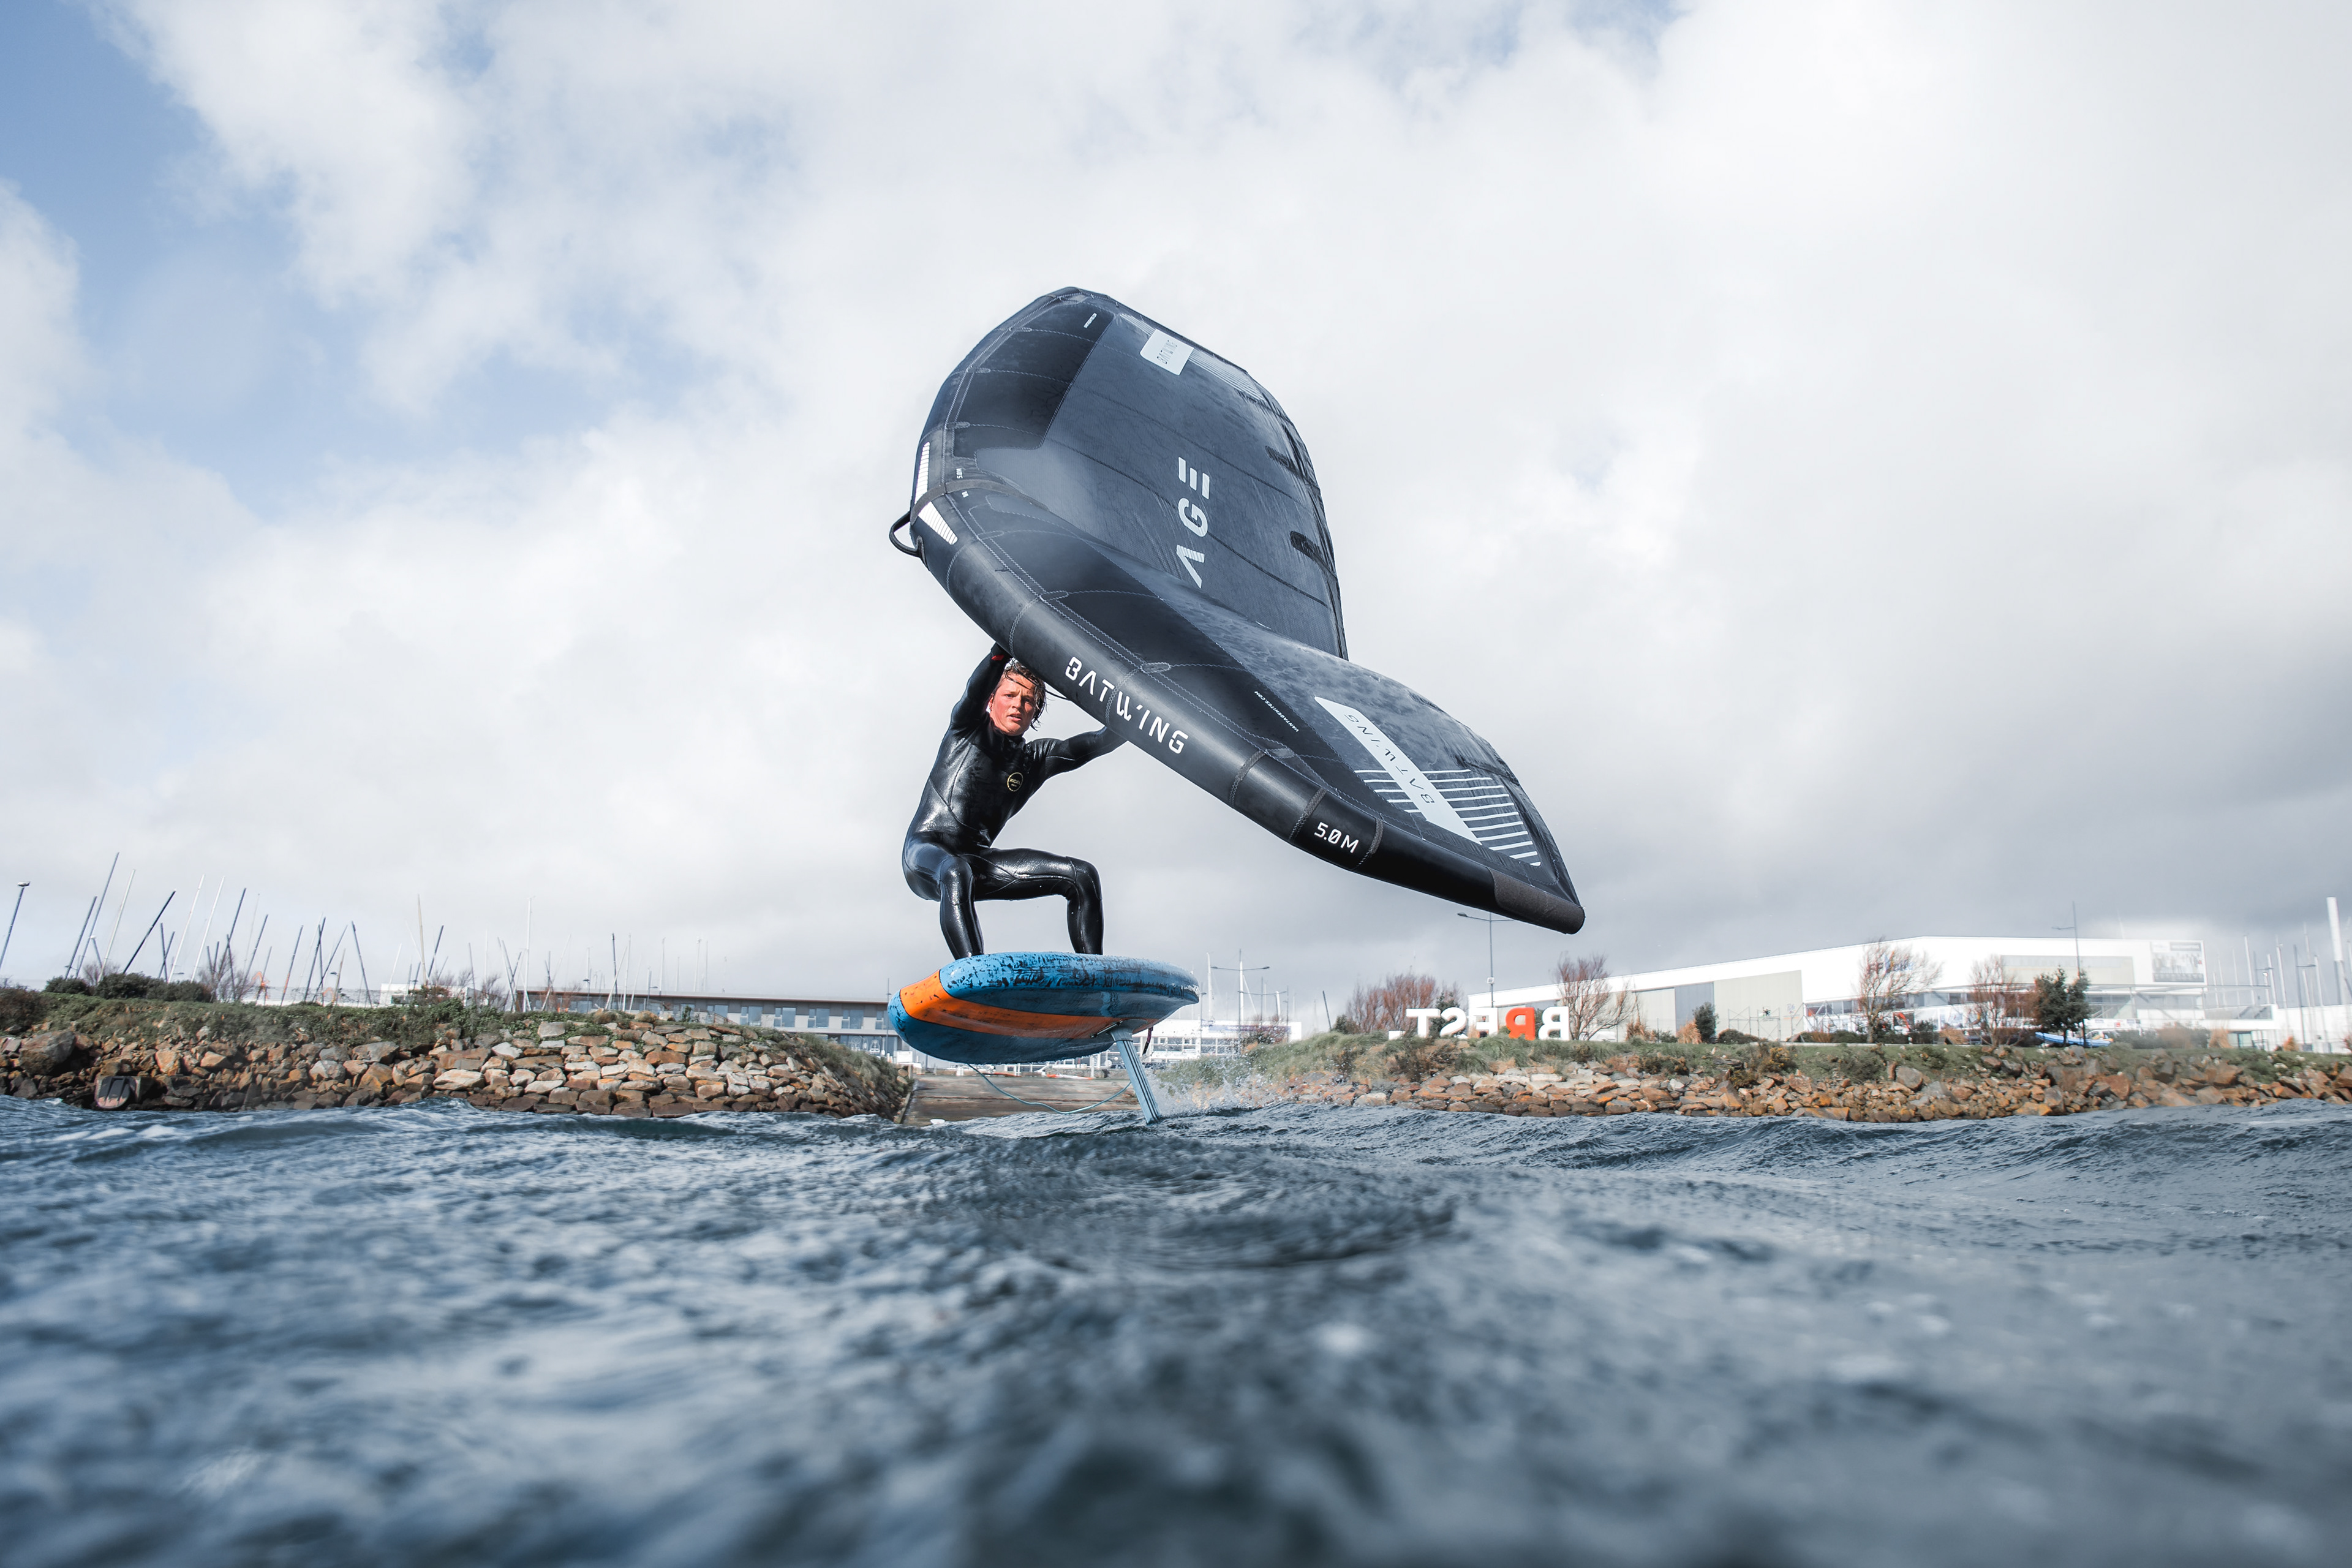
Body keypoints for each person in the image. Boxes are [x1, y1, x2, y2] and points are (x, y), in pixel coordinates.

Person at [902, 645, 1122, 959]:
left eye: (1028, 700)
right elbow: (975, 690)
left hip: (977, 861)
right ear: (991, 701)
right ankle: (975, 973)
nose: (1018, 704)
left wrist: (1136, 716)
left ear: (1035, 712)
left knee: (1081, 876)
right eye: (1009, 695)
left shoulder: (1035, 759)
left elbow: (1098, 742)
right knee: (955, 871)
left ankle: (1096, 976)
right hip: (926, 852)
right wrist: (1003, 648)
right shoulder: (967, 728)